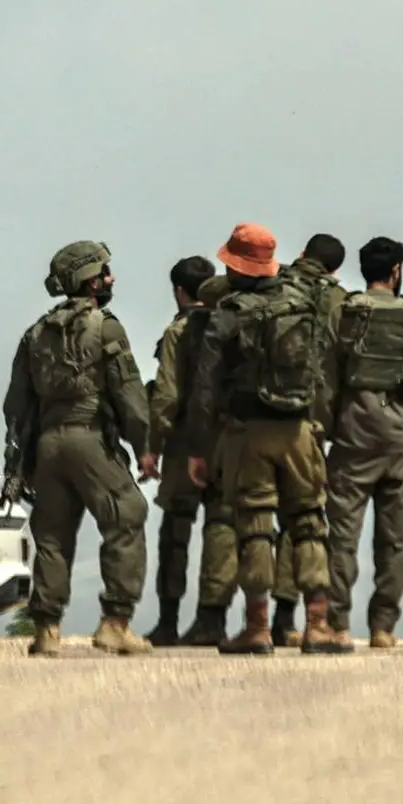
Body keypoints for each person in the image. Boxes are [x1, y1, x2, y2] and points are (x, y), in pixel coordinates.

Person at [187, 224, 337, 655]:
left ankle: (256, 629)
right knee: (310, 522)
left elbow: (205, 385)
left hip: (248, 434)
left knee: (254, 526)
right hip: (301, 432)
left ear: (235, 265)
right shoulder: (305, 301)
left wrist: (199, 448)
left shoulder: (231, 312)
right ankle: (318, 625)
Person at [2, 241, 154, 657]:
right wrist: (143, 446)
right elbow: (130, 395)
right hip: (91, 440)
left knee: (51, 537)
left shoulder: (34, 335)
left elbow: (15, 406)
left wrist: (21, 461)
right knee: (127, 515)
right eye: (105, 272)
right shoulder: (107, 329)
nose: (111, 279)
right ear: (90, 281)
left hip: (49, 446)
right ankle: (115, 624)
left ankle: (46, 631)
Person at [322, 237, 403, 649]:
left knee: (342, 538)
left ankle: (337, 624)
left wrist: (325, 430)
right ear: (396, 272)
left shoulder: (343, 313)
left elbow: (325, 377)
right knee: (391, 542)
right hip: (398, 439)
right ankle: (383, 628)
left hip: (351, 437)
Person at [270, 232, 349, 649]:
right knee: (304, 517)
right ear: (335, 268)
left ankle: (266, 618)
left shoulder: (274, 285)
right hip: (314, 424)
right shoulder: (340, 302)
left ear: (302, 255)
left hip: (263, 414)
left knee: (256, 517)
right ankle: (294, 616)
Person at [141, 255, 219, 646]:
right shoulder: (229, 324)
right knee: (222, 528)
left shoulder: (178, 332)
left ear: (178, 290)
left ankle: (169, 622)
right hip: (227, 442)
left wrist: (152, 446)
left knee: (175, 531)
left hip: (184, 441)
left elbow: (166, 395)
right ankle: (212, 618)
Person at [181, 273, 242, 645]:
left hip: (224, 436)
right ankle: (279, 618)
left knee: (221, 522)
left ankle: (212, 618)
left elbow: (197, 394)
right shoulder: (274, 316)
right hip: (283, 431)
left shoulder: (203, 333)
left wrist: (197, 447)